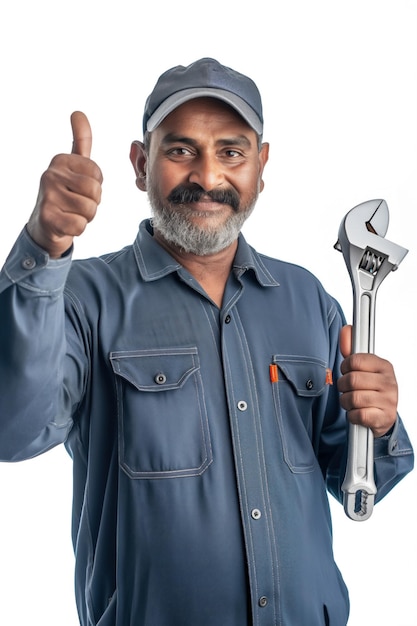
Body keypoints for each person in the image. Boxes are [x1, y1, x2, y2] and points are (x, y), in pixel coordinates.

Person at [0, 58, 413, 626]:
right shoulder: (78, 297)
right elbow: (12, 430)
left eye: (232, 152)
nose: (208, 176)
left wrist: (381, 424)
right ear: (141, 164)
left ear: (260, 167)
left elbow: (359, 485)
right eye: (180, 150)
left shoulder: (309, 299)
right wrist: (42, 250)